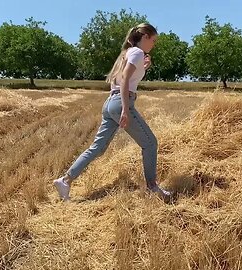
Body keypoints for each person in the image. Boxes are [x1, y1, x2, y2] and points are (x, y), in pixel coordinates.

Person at [53, 23, 171, 201]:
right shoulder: (137, 53)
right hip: (120, 103)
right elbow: (124, 81)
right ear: (145, 37)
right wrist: (125, 109)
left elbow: (124, 78)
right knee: (150, 143)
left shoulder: (129, 53)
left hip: (110, 102)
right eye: (153, 40)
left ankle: (65, 180)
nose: (154, 44)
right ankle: (152, 187)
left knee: (97, 148)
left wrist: (144, 67)